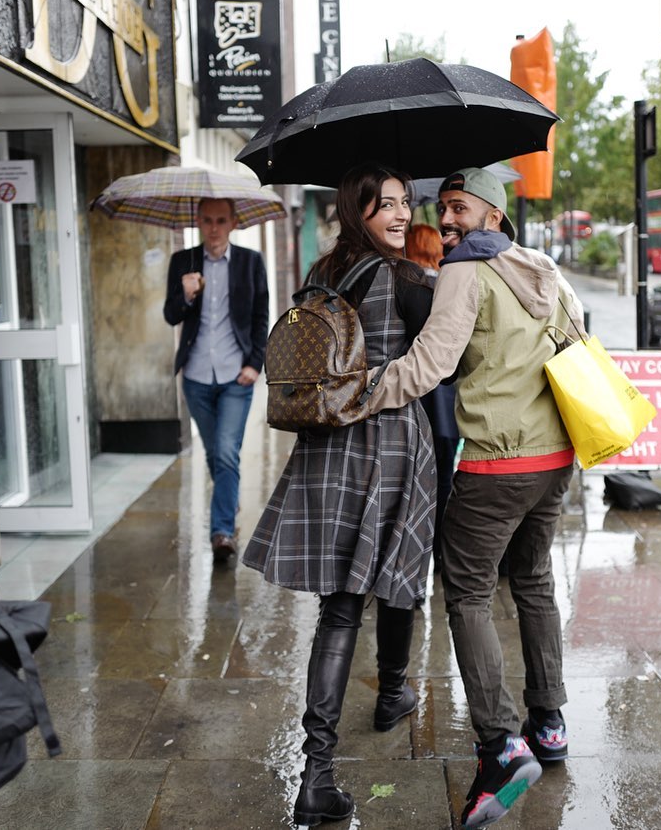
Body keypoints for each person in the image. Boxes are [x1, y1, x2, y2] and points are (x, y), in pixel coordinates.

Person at [367, 167, 587, 829]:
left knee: (463, 591)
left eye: (458, 207)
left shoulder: (464, 270)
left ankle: (499, 744)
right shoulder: (542, 268)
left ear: (493, 213)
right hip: (554, 459)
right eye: (444, 207)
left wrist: (361, 389)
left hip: (497, 462)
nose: (448, 218)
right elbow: (579, 344)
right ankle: (547, 721)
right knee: (532, 580)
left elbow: (430, 362)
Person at [242, 164, 436, 827]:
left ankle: (317, 770)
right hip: (387, 442)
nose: (401, 215)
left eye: (406, 203)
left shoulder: (320, 274)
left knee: (341, 604)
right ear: (359, 209)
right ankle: (390, 693)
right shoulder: (408, 280)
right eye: (386, 205)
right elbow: (452, 355)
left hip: (326, 445)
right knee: (398, 572)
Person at [163, 197, 269, 565]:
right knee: (215, 454)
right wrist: (187, 294)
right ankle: (229, 491)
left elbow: (261, 316)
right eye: (206, 220)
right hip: (195, 377)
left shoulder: (251, 262)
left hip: (235, 376)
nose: (213, 227)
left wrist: (256, 364)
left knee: (225, 452)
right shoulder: (183, 262)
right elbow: (169, 315)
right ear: (198, 220)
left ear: (233, 223)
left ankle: (222, 531)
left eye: (220, 220)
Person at [405, 223, 460, 571]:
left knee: (413, 484)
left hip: (413, 403)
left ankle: (413, 557)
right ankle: (441, 555)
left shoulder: (406, 288)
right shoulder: (448, 287)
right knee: (443, 480)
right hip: (447, 406)